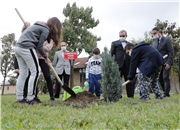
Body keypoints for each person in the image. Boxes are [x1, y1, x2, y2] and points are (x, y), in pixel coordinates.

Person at [15, 17, 62, 104]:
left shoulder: (36, 25)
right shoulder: (45, 30)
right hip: (27, 48)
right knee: (35, 72)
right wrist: (46, 57)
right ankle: (31, 98)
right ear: (55, 27)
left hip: (18, 47)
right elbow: (39, 46)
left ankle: (20, 98)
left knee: (23, 73)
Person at [152, 27, 174, 98]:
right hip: (159, 64)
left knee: (165, 77)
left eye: (155, 33)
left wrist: (168, 62)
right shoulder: (154, 43)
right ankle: (164, 92)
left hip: (166, 62)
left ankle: (167, 94)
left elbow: (171, 52)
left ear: (159, 32)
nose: (154, 35)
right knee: (160, 78)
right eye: (152, 34)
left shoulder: (167, 40)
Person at [111, 30, 133, 98]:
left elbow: (132, 54)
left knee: (128, 80)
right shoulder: (114, 43)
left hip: (127, 65)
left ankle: (130, 96)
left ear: (126, 36)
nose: (121, 37)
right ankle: (118, 95)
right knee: (118, 81)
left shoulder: (130, 44)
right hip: (118, 65)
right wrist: (112, 63)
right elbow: (112, 53)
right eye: (120, 36)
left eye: (123, 36)